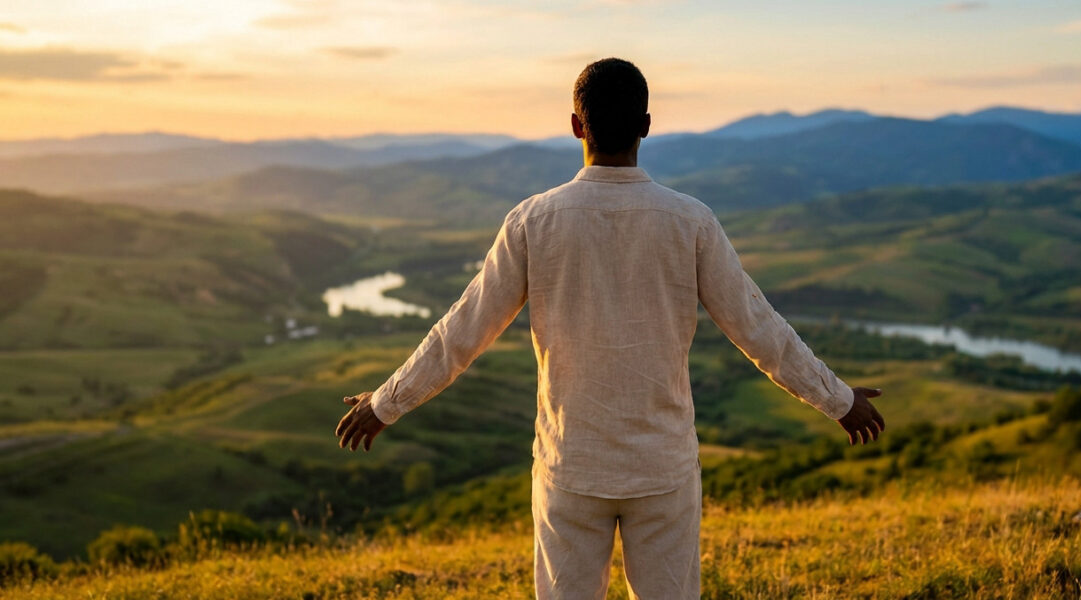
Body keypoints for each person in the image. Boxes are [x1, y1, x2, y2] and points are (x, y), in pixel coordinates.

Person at [335, 57, 885, 600]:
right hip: (663, 469)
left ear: (576, 125)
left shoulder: (532, 220)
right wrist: (838, 399)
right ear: (647, 125)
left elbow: (463, 330)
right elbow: (758, 328)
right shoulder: (690, 221)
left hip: (569, 467)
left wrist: (387, 403)